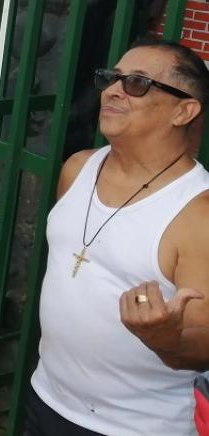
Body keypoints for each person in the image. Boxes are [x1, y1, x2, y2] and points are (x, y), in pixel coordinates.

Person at [29, 40, 209, 436]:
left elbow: (201, 348)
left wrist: (166, 338)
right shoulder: (78, 169)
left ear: (184, 110)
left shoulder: (197, 214)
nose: (112, 90)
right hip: (46, 399)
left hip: (136, 427)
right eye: (111, 78)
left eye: (137, 83)